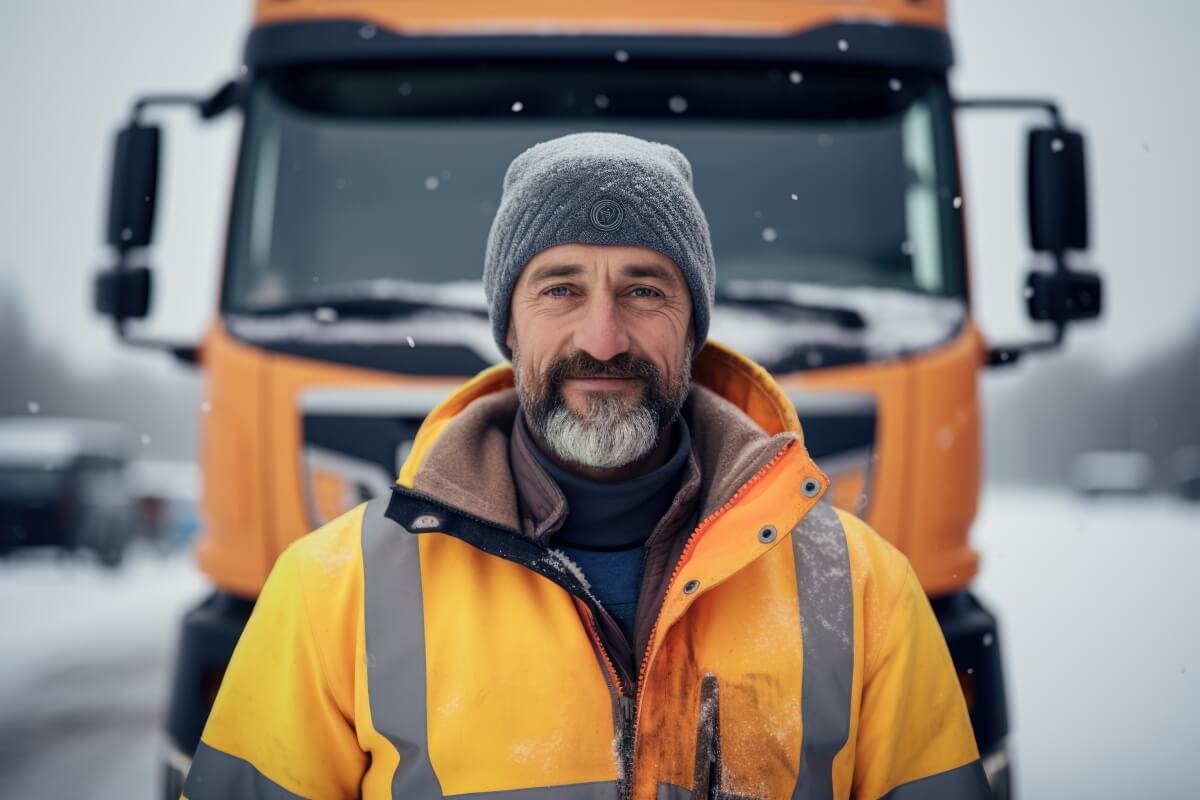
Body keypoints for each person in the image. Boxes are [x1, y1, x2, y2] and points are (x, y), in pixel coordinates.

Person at [183, 132, 988, 799]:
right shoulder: (333, 590)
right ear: (509, 329)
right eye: (560, 290)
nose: (602, 339)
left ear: (694, 329)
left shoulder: (862, 588)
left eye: (644, 291)